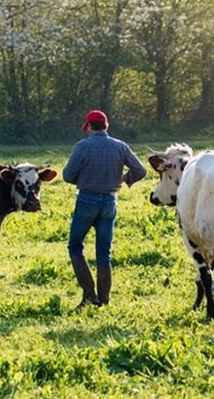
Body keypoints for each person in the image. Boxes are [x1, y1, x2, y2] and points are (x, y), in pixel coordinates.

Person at [62, 110, 146, 307]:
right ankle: (105, 300)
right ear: (106, 126)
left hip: (86, 200)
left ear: (89, 126)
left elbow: (67, 175)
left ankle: (89, 295)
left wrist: (81, 180)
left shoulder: (83, 146)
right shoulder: (120, 146)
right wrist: (125, 179)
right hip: (110, 201)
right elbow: (140, 170)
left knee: (75, 246)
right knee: (104, 252)